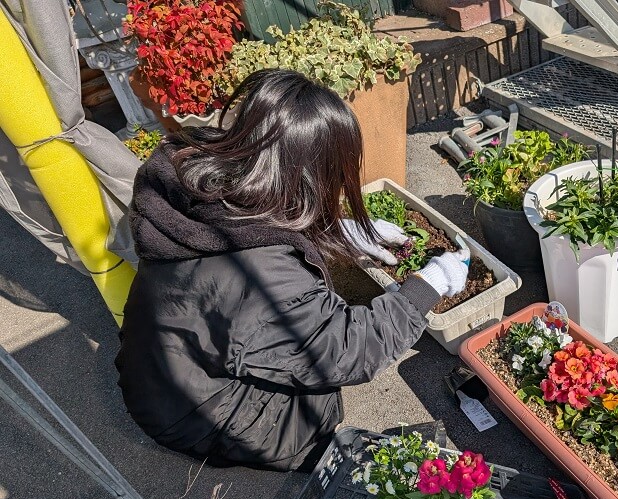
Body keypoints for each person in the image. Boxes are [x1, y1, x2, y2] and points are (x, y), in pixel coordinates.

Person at [115, 70, 469, 471]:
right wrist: (429, 285)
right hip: (194, 412)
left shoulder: (194, 178)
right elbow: (344, 351)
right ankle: (299, 454)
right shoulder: (258, 279)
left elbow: (253, 225)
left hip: (162, 368)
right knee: (318, 408)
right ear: (305, 173)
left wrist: (338, 234)